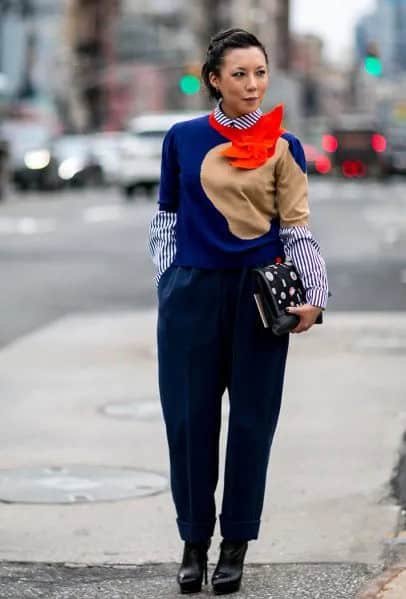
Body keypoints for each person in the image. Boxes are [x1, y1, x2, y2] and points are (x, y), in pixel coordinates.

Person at [149, 28, 329, 595]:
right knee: (188, 423)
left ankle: (236, 544)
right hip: (192, 295)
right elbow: (166, 221)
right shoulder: (182, 138)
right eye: (239, 75)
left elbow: (295, 227)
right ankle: (193, 542)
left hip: (259, 296)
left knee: (252, 425)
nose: (252, 86)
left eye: (259, 73)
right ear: (214, 80)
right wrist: (169, 282)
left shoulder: (285, 146)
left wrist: (313, 293)